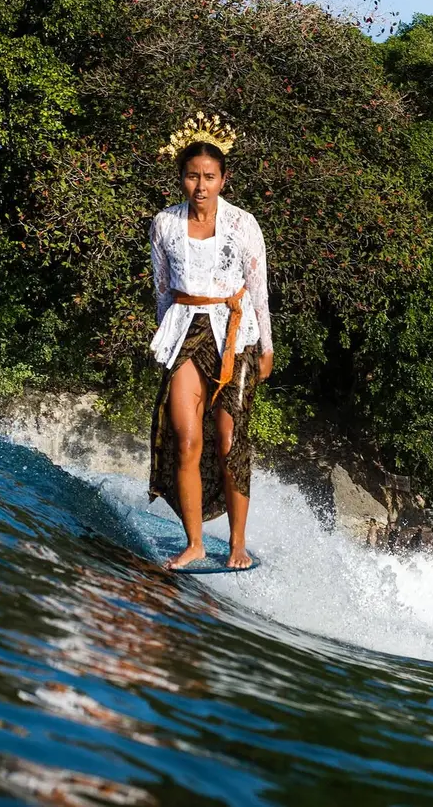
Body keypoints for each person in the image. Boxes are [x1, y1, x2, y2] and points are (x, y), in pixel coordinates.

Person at [148, 114, 274, 570]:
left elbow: (258, 289)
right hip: (185, 331)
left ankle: (237, 542)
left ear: (223, 179)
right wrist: (166, 341)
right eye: (192, 176)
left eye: (209, 177)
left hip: (236, 334)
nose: (200, 185)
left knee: (230, 439)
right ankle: (195, 542)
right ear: (180, 177)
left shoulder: (243, 224)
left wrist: (268, 346)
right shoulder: (164, 223)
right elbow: (162, 289)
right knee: (185, 440)